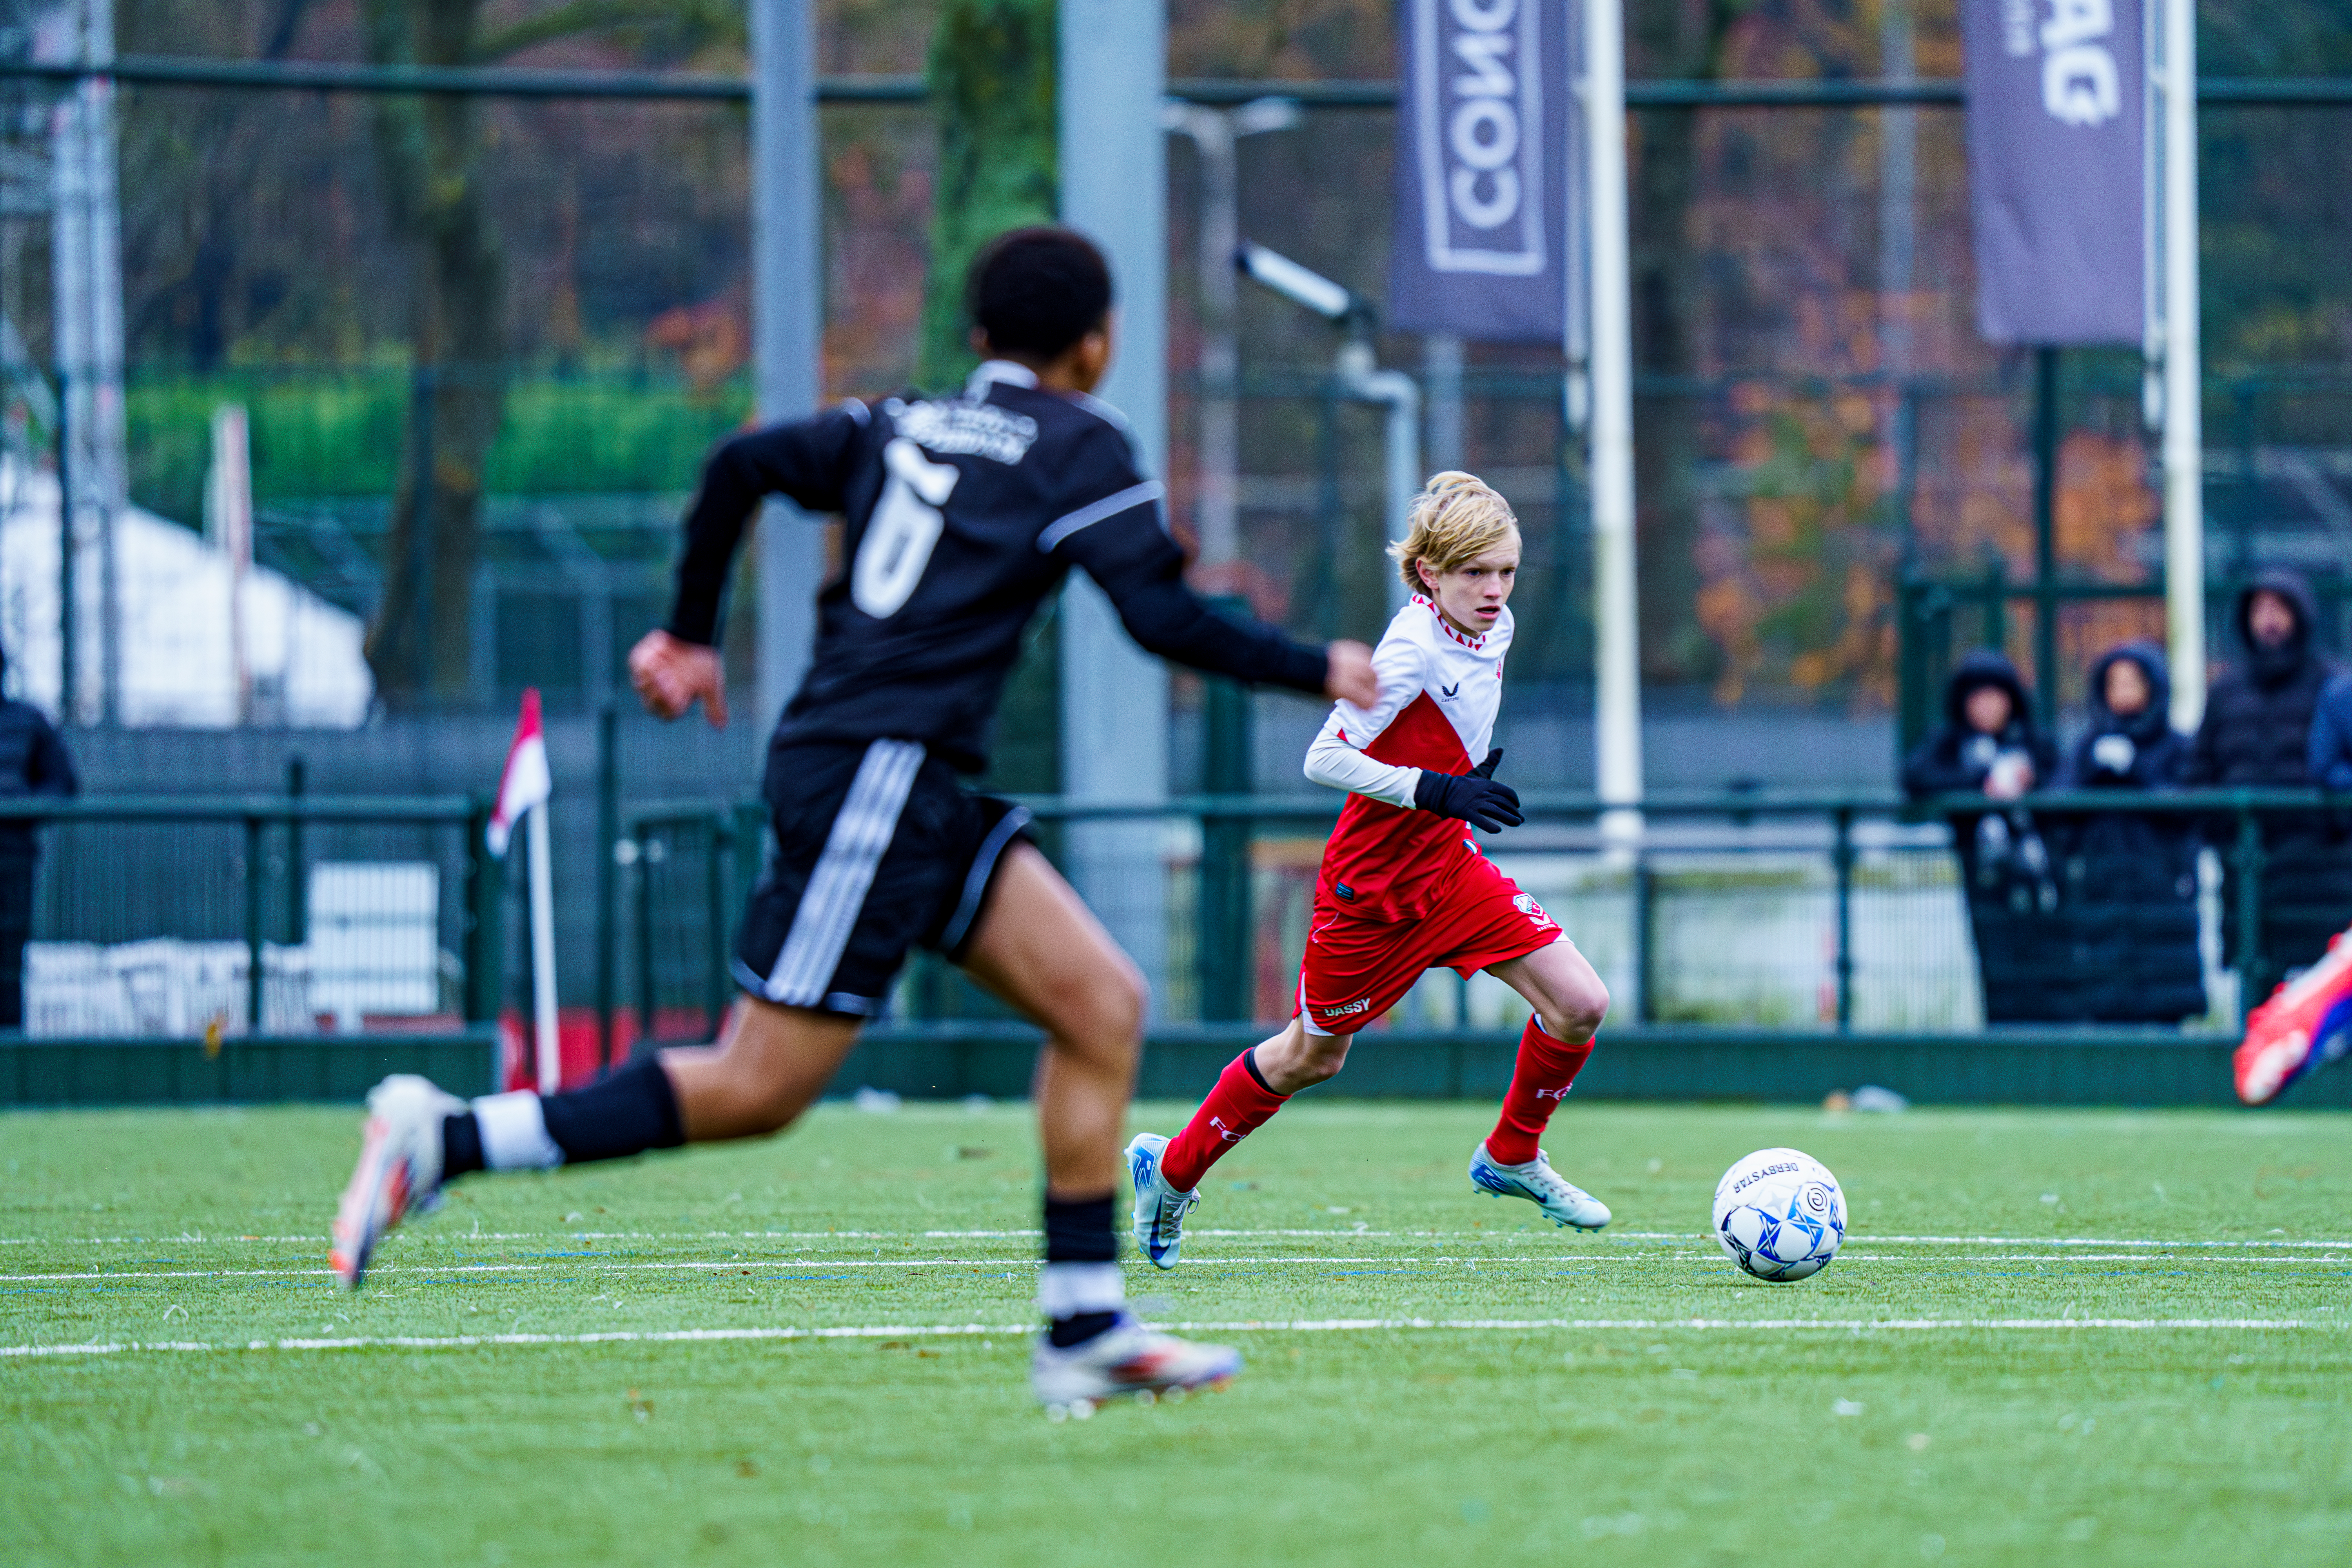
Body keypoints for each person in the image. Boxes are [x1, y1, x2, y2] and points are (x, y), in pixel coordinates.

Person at [330, 227, 1381, 1408]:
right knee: (756, 1085)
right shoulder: (1080, 447)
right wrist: (1317, 664)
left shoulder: (893, 421)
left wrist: (687, 629)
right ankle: (445, 1137)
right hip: (877, 779)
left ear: (979, 337)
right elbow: (1160, 618)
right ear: (1096, 343)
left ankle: (1082, 1320)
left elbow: (736, 466)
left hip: (903, 783)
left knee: (1100, 1005)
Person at [1123, 472, 1613, 1270]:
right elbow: (1322, 757)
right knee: (1311, 1056)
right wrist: (1438, 786)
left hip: (1449, 868)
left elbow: (1450, 719)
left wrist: (1456, 772)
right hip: (1371, 888)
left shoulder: (1498, 624)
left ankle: (1511, 1155)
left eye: (1507, 571)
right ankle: (1170, 1171)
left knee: (1580, 1002)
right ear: (1430, 575)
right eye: (1474, 574)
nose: (1494, 590)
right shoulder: (1409, 645)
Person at [2185, 572, 2352, 995]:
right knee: (2256, 994)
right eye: (2260, 610)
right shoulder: (2226, 690)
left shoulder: (2333, 685)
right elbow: (2201, 770)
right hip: (2248, 874)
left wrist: (2329, 830)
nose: (2270, 621)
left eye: (2279, 609)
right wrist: (2226, 832)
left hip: (2323, 877)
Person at [2041, 642, 2203, 1023]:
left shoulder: (2176, 746)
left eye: (2133, 682)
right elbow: (2057, 806)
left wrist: (2139, 775)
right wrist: (2093, 775)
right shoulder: (2088, 748)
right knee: (2107, 1003)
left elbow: (2191, 804)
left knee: (2165, 1006)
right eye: (2115, 683)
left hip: (2161, 893)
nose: (2124, 692)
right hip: (2103, 894)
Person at [1899, 649, 2061, 1022]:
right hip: (1985, 877)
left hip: (2042, 879)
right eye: (1978, 699)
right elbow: (1915, 776)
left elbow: (2063, 780)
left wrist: (2029, 782)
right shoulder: (1953, 745)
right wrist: (1979, 785)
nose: (1987, 708)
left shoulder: (2033, 743)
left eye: (1995, 698)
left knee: (2048, 969)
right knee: (1997, 969)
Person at [0, 646, 77, 1029]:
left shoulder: (28, 722)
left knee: (7, 960)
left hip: (12, 860)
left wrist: (21, 805)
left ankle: (11, 1058)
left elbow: (63, 783)